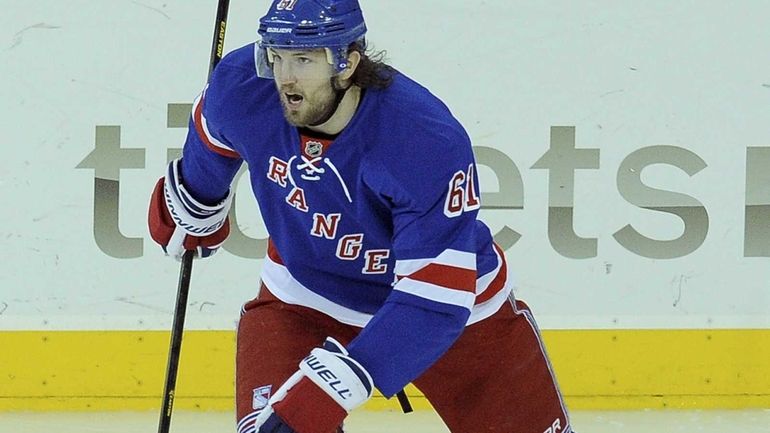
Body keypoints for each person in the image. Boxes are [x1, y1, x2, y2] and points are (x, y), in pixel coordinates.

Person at [148, 0, 573, 432]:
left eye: (304, 59)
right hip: (304, 301)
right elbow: (212, 139)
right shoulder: (244, 85)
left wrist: (332, 387)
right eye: (275, 55)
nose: (284, 77)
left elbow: (433, 301)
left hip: (453, 320)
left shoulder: (421, 137)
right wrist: (194, 202)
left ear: (347, 62)